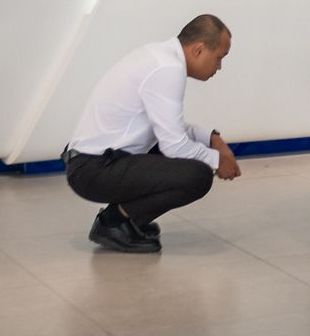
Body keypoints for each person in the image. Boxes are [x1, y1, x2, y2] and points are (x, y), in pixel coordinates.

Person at [63, 14, 242, 252]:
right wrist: (218, 161)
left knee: (185, 157)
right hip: (93, 169)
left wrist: (213, 138)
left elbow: (171, 128)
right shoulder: (168, 69)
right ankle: (115, 222)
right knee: (197, 175)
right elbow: (174, 145)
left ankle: (125, 220)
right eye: (219, 57)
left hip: (92, 164)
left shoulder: (160, 58)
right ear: (199, 49)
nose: (219, 67)